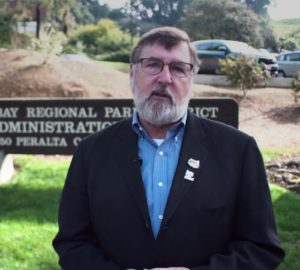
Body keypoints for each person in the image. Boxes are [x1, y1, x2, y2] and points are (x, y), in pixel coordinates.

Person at [53, 27, 284, 270]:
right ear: (132, 73)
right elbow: (73, 243)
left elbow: (261, 248)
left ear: (191, 79)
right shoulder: (91, 152)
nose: (165, 78)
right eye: (153, 64)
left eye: (178, 68)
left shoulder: (239, 151)